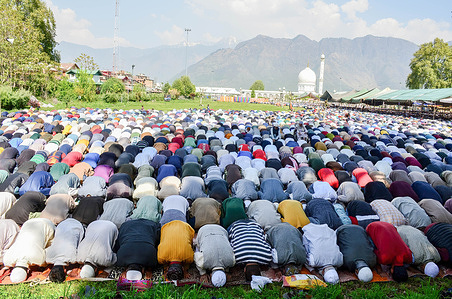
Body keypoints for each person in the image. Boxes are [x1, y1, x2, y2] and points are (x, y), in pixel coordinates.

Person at [3, 218, 55, 283]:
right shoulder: (7, 260)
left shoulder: (38, 259)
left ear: (27, 271)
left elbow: (47, 261)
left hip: (47, 224)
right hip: (28, 224)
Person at [46, 218, 85, 282]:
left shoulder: (73, 258)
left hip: (76, 225)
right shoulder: (48, 258)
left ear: (64, 271)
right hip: (62, 225)